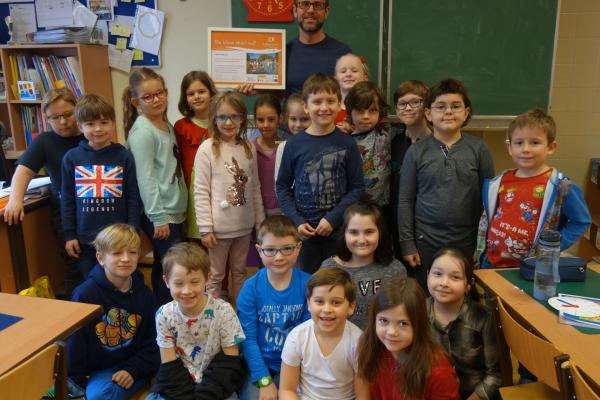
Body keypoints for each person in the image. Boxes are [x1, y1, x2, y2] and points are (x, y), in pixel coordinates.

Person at [397, 78, 494, 289]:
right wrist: (407, 244)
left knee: (461, 295)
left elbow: (489, 202)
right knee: (427, 297)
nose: (448, 112)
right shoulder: (416, 151)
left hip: (466, 242)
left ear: (466, 112)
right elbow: (405, 200)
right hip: (426, 243)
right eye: (440, 107)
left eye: (455, 106)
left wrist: (482, 245)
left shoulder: (479, 149)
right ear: (428, 114)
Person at [475, 108, 591, 267]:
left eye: (535, 142)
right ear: (510, 148)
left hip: (531, 267)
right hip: (491, 264)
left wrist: (551, 247)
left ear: (551, 147)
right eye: (519, 143)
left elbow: (581, 221)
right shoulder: (499, 182)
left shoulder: (561, 185)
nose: (526, 149)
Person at [276, 74, 364, 274]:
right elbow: (282, 187)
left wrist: (333, 218)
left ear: (339, 104)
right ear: (306, 106)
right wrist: (297, 221)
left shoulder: (348, 144)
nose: (324, 107)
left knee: (337, 281)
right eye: (317, 102)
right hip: (305, 234)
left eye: (330, 101)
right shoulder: (293, 145)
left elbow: (357, 188)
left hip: (338, 230)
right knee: (308, 283)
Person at [3, 88, 83, 295]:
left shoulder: (92, 132)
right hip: (66, 218)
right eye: (55, 117)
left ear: (78, 110)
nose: (63, 122)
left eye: (67, 114)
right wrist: (15, 200)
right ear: (46, 119)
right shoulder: (45, 141)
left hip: (96, 212)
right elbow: (23, 171)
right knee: (74, 270)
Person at [67, 224, 160, 400]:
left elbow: (154, 339)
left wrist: (134, 369)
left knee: (98, 396)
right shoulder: (84, 295)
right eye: (117, 253)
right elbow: (75, 344)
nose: (126, 258)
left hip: (133, 364)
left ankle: (150, 378)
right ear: (101, 258)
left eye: (132, 252)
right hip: (100, 370)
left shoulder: (145, 294)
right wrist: (75, 386)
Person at [148, 242, 246, 400]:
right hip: (178, 382)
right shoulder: (163, 314)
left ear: (207, 278)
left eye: (194, 282)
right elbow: (168, 364)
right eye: (178, 283)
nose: (187, 291)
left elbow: (229, 362)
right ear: (166, 282)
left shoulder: (224, 311)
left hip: (216, 383)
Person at [124, 67, 187, 305]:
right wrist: (158, 217)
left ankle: (167, 312)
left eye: (159, 93)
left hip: (174, 209)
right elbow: (146, 178)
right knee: (170, 267)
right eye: (148, 97)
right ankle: (166, 314)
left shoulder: (165, 124)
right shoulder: (142, 132)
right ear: (135, 101)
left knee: (167, 264)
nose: (156, 99)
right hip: (161, 214)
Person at [195, 91, 265, 301]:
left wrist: (260, 223)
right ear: (213, 119)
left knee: (240, 272)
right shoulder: (207, 149)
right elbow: (201, 191)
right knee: (215, 276)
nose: (228, 122)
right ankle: (213, 320)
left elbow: (254, 188)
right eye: (222, 117)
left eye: (234, 116)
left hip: (244, 227)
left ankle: (242, 317)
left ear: (243, 118)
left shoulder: (247, 147)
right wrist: (206, 228)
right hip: (218, 230)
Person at [61, 94, 140, 279]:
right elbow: (67, 200)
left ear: (113, 124)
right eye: (90, 124)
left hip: (120, 238)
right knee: (92, 281)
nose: (98, 129)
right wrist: (69, 234)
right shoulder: (71, 158)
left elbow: (133, 197)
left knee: (123, 280)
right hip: (86, 238)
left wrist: (134, 230)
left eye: (104, 122)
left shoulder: (124, 156)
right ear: (80, 126)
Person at [237, 215, 311, 400]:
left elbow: (309, 335)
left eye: (287, 249)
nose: (279, 257)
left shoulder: (309, 285)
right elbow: (248, 340)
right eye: (270, 250)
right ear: (259, 251)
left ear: (298, 248)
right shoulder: (250, 288)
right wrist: (264, 381)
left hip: (299, 364)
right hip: (262, 366)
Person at [357, 277, 460, 400]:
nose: (392, 332)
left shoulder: (438, 371)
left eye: (403, 324)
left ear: (419, 324)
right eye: (383, 321)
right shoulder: (368, 347)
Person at [279, 267, 369, 400]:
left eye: (336, 302)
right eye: (320, 301)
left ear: (351, 306)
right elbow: (286, 390)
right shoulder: (297, 337)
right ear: (309, 303)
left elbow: (363, 396)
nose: (327, 309)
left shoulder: (359, 342)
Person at [427, 248, 501, 400]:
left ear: (468, 285)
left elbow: (495, 375)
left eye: (455, 277)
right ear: (427, 275)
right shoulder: (416, 314)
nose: (444, 283)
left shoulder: (483, 318)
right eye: (437, 274)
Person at [320, 201, 407, 329]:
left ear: (380, 233)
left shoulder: (395, 269)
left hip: (382, 343)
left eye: (369, 232)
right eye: (354, 232)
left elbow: (403, 313)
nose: (361, 240)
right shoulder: (328, 268)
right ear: (344, 234)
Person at [390, 80, 431, 262]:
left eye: (415, 102)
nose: (408, 108)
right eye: (402, 104)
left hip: (426, 229)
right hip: (396, 226)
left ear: (427, 107)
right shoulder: (394, 142)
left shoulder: (436, 144)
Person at [174, 70, 218, 241]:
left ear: (211, 93)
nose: (197, 97)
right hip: (192, 189)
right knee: (196, 239)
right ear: (185, 99)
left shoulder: (221, 123)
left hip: (217, 187)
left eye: (201, 92)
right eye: (191, 94)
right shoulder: (181, 126)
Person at [286, 0, 351, 95]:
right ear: (295, 11)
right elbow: (279, 96)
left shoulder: (343, 54)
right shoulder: (284, 53)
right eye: (304, 4)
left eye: (318, 5)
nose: (311, 10)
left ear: (326, 12)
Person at [345, 81, 392, 207]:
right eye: (360, 111)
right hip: (353, 209)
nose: (366, 116)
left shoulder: (386, 134)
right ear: (350, 111)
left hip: (382, 208)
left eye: (372, 110)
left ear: (380, 112)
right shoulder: (343, 141)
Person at [253, 94, 283, 216]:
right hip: (258, 213)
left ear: (280, 119)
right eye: (260, 120)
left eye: (271, 119)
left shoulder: (286, 147)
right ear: (255, 121)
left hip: (283, 212)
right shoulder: (250, 149)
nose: (265, 125)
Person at [274, 94, 310, 180]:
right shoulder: (283, 148)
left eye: (305, 119)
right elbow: (279, 182)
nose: (298, 125)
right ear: (287, 119)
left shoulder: (320, 146)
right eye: (293, 119)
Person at [334, 53, 369, 130]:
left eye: (354, 71)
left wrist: (353, 130)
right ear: (336, 79)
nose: (348, 74)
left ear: (365, 78)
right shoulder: (330, 110)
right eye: (343, 71)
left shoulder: (371, 109)